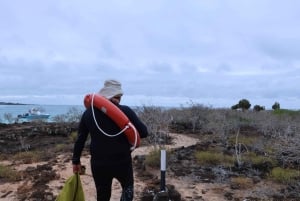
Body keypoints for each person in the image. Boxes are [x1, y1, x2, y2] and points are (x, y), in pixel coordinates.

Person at [72, 79, 148, 201]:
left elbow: (80, 139)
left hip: (99, 164)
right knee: (127, 190)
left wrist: (76, 161)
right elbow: (144, 132)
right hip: (122, 163)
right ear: (118, 96)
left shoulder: (88, 113)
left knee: (103, 196)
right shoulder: (126, 111)